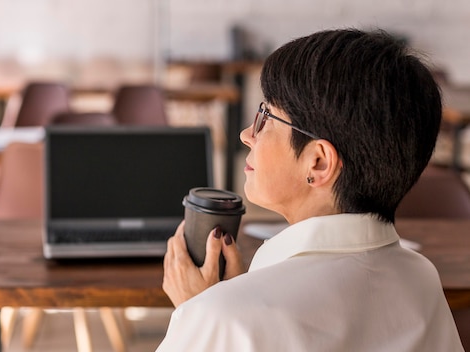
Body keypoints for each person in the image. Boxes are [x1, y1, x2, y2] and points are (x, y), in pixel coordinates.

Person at [157, 28, 464, 351]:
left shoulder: (225, 319)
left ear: (317, 163)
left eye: (266, 116)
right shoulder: (421, 279)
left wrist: (197, 317)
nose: (248, 134)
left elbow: (234, 321)